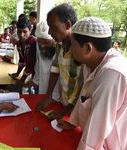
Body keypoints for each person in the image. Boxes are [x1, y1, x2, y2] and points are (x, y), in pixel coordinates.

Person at [60, 16, 127, 149]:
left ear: (88, 48)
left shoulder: (111, 73)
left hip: (111, 144)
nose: (71, 50)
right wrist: (73, 122)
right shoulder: (91, 63)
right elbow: (84, 97)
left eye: (73, 46)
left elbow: (98, 125)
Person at [36, 3, 83, 120]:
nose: (50, 32)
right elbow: (55, 69)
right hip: (64, 103)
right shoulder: (59, 45)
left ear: (67, 25)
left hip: (78, 110)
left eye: (53, 27)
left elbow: (84, 86)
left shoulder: (81, 50)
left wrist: (64, 111)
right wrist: (48, 95)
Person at [27, 21, 60, 100]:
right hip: (43, 83)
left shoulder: (59, 46)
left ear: (53, 40)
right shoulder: (38, 45)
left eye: (46, 42)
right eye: (39, 41)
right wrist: (35, 80)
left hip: (58, 86)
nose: (42, 45)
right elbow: (38, 63)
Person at [8, 14, 37, 86]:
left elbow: (30, 64)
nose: (21, 35)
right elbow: (22, 61)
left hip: (38, 74)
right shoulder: (19, 44)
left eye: (25, 32)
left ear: (30, 30)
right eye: (19, 32)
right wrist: (17, 74)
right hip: (31, 73)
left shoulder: (33, 42)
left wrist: (22, 80)